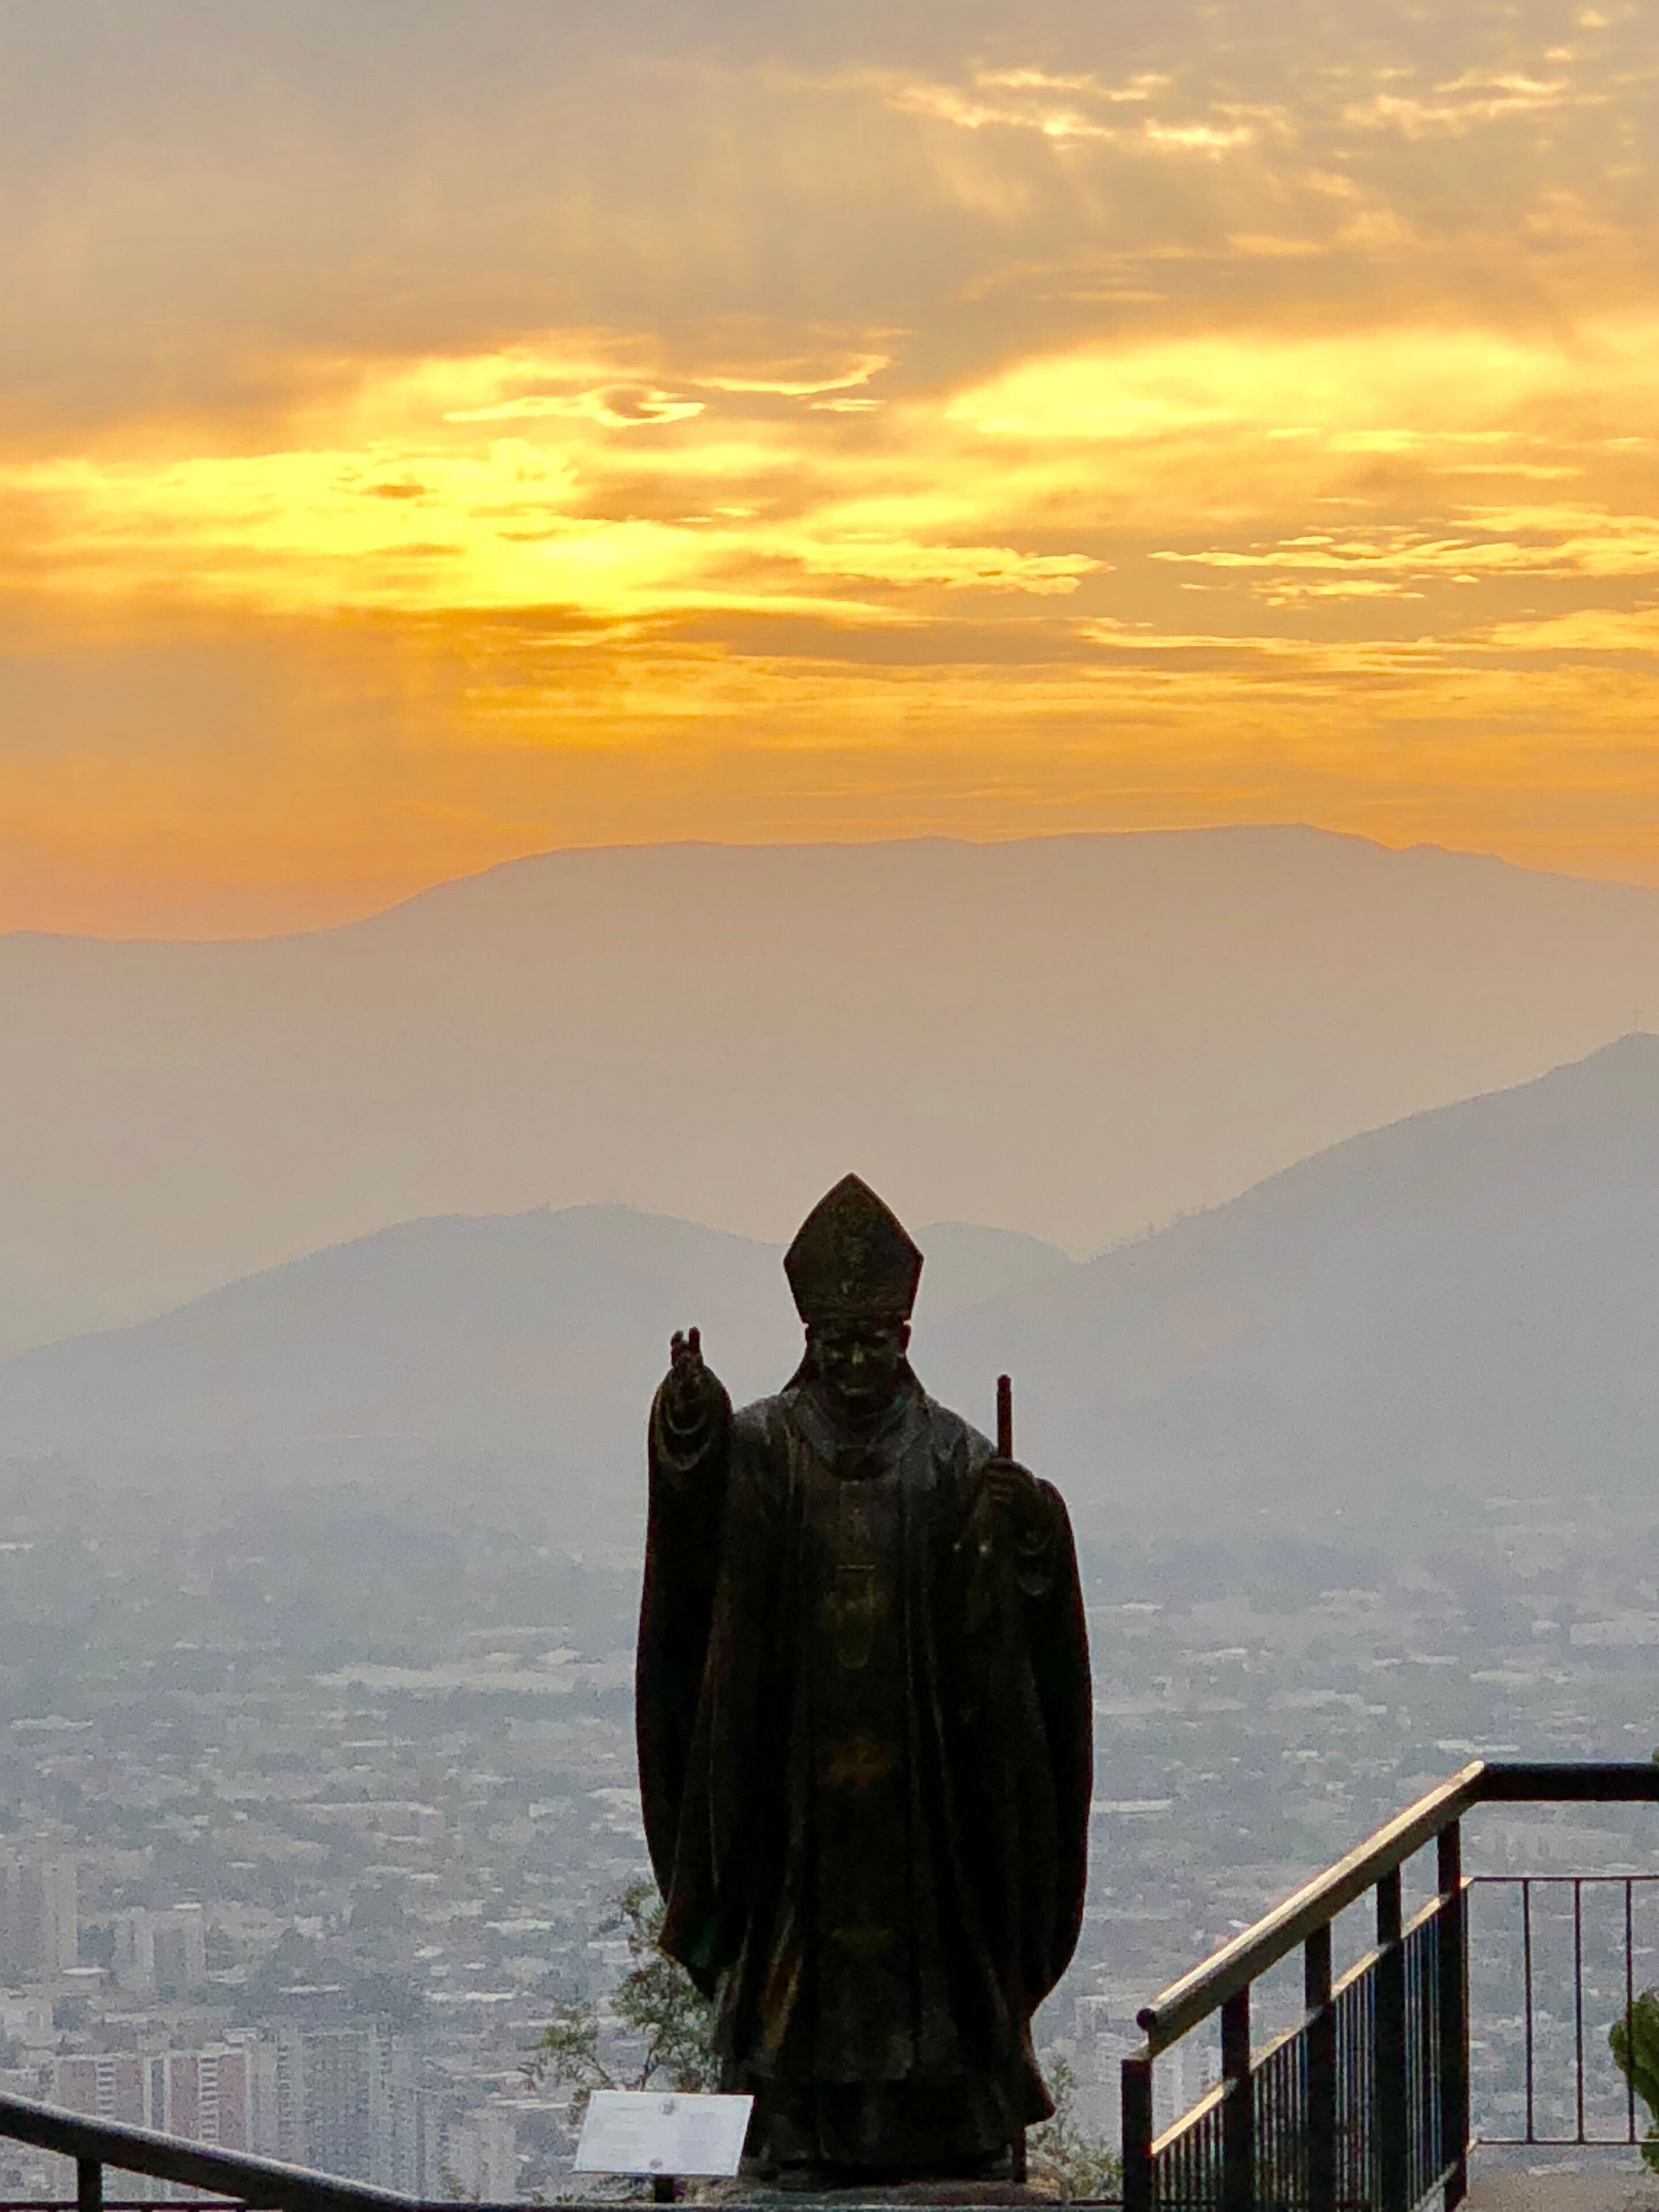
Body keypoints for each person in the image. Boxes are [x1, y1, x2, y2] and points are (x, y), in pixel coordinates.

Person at [636, 1173, 1091, 2186]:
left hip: (922, 1784)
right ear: (810, 1339)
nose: (853, 1363)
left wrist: (1028, 1531)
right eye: (836, 1343)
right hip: (796, 1782)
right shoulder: (763, 1446)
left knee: (934, 1970)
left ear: (904, 1340)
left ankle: (949, 2117)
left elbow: (1023, 1619)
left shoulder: (951, 1458)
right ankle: (798, 2125)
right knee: (798, 1979)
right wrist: (687, 1427)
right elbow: (697, 1549)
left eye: (873, 1343)